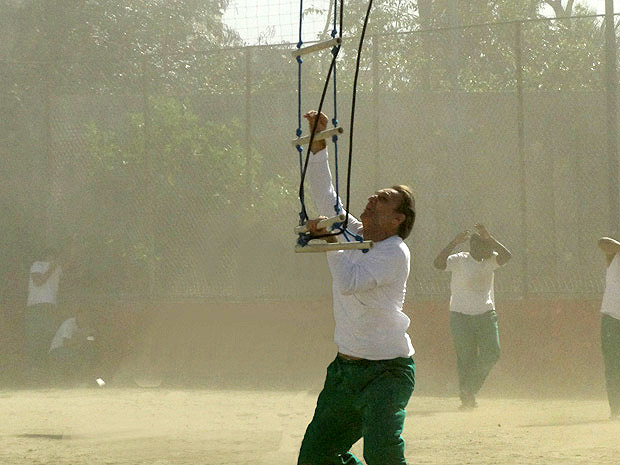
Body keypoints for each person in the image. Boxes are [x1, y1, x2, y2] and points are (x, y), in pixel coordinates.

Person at [297, 111, 416, 465]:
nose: (372, 198)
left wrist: (330, 235)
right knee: (316, 459)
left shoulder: (394, 251)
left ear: (398, 219)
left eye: (383, 199)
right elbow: (325, 196)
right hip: (345, 372)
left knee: (383, 454)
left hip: (387, 372)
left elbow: (349, 283)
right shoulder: (353, 232)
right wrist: (318, 144)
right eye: (375, 194)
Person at [433, 224, 511, 409]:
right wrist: (454, 242)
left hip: (485, 314)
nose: (489, 250)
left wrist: (489, 237)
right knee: (465, 358)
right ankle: (467, 399)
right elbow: (438, 264)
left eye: (489, 246)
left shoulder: (490, 260)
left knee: (492, 352)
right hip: (460, 316)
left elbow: (507, 256)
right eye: (484, 246)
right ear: (473, 246)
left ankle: (469, 388)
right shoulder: (460, 260)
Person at [25, 247, 63, 383]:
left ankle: (47, 372)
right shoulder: (38, 264)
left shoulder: (58, 268)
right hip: (36, 306)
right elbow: (38, 281)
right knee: (35, 338)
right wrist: (51, 267)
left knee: (48, 338)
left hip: (49, 306)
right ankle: (33, 372)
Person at [597, 236, 620, 419]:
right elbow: (602, 242)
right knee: (612, 366)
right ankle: (616, 410)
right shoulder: (615, 255)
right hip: (612, 318)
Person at [48, 307, 97, 386]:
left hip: (71, 351)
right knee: (75, 356)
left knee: (90, 354)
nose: (84, 319)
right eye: (82, 316)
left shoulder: (86, 327)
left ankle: (89, 381)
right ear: (77, 316)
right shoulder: (68, 324)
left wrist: (90, 336)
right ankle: (75, 381)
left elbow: (91, 341)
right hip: (56, 351)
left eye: (86, 317)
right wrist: (83, 338)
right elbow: (66, 343)